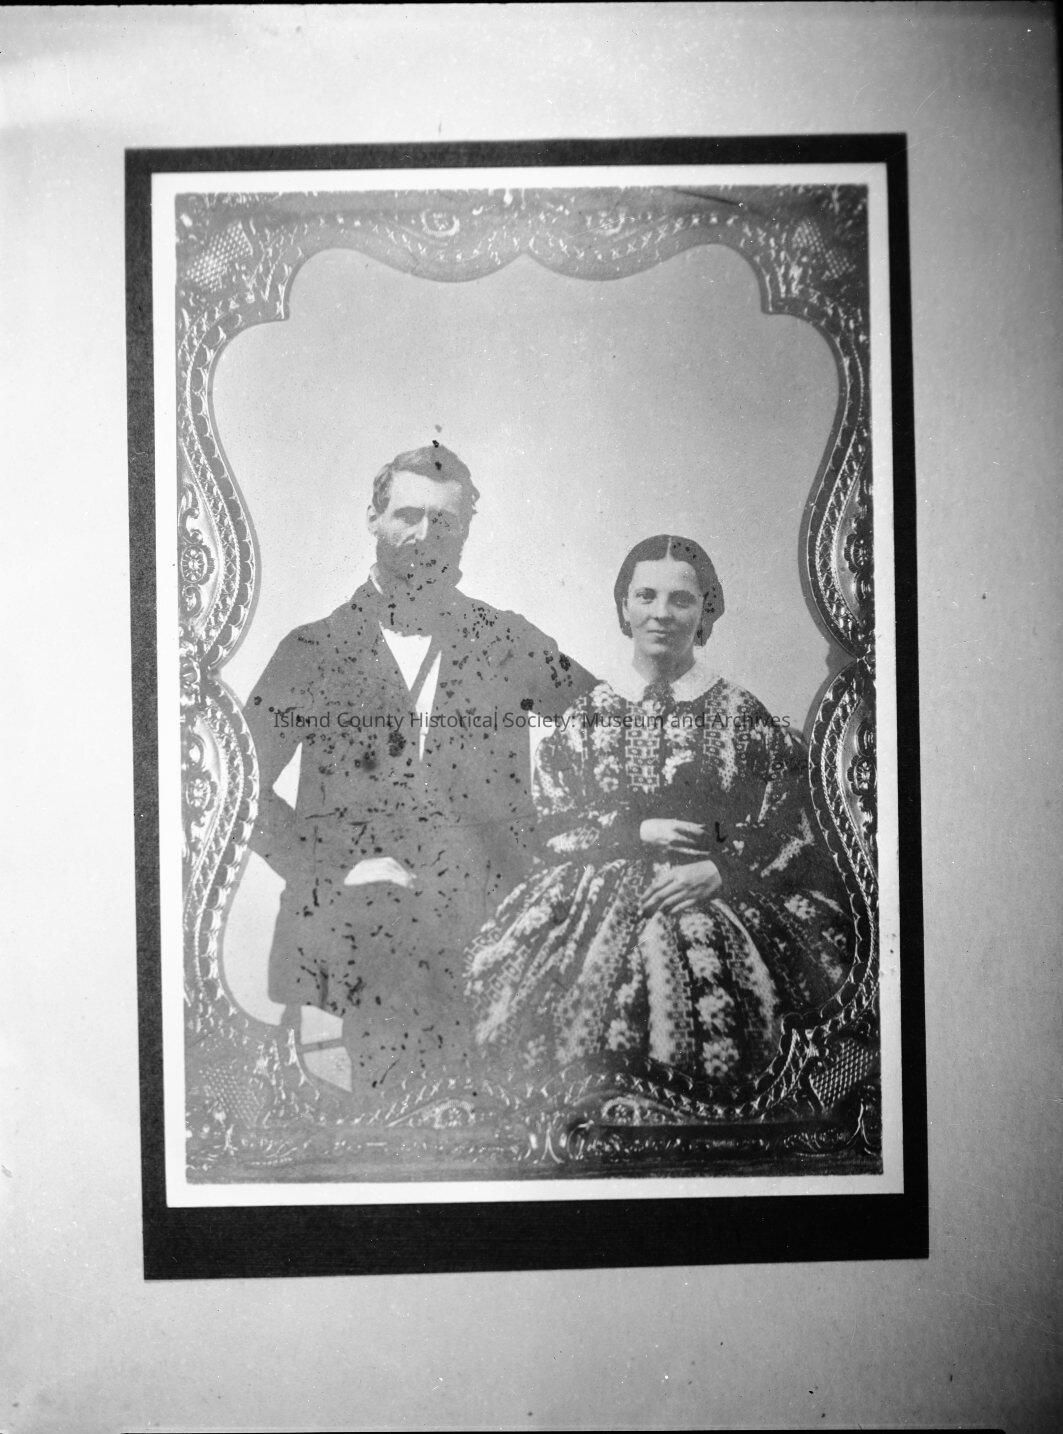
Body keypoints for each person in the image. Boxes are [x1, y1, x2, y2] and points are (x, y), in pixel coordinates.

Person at [243, 443, 595, 1096]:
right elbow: (233, 787)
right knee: (379, 1124)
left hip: (491, 945)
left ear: (464, 533)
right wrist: (328, 869)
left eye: (445, 522)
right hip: (353, 943)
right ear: (373, 518)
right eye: (408, 515)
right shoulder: (311, 649)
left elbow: (611, 731)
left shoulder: (507, 639)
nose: (425, 535)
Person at [465, 534, 854, 1094]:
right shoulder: (585, 717)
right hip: (590, 902)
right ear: (624, 606)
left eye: (682, 599)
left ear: (706, 611)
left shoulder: (743, 715)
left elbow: (790, 826)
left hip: (724, 896)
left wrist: (722, 869)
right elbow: (550, 825)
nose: (662, 614)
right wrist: (634, 831)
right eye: (646, 596)